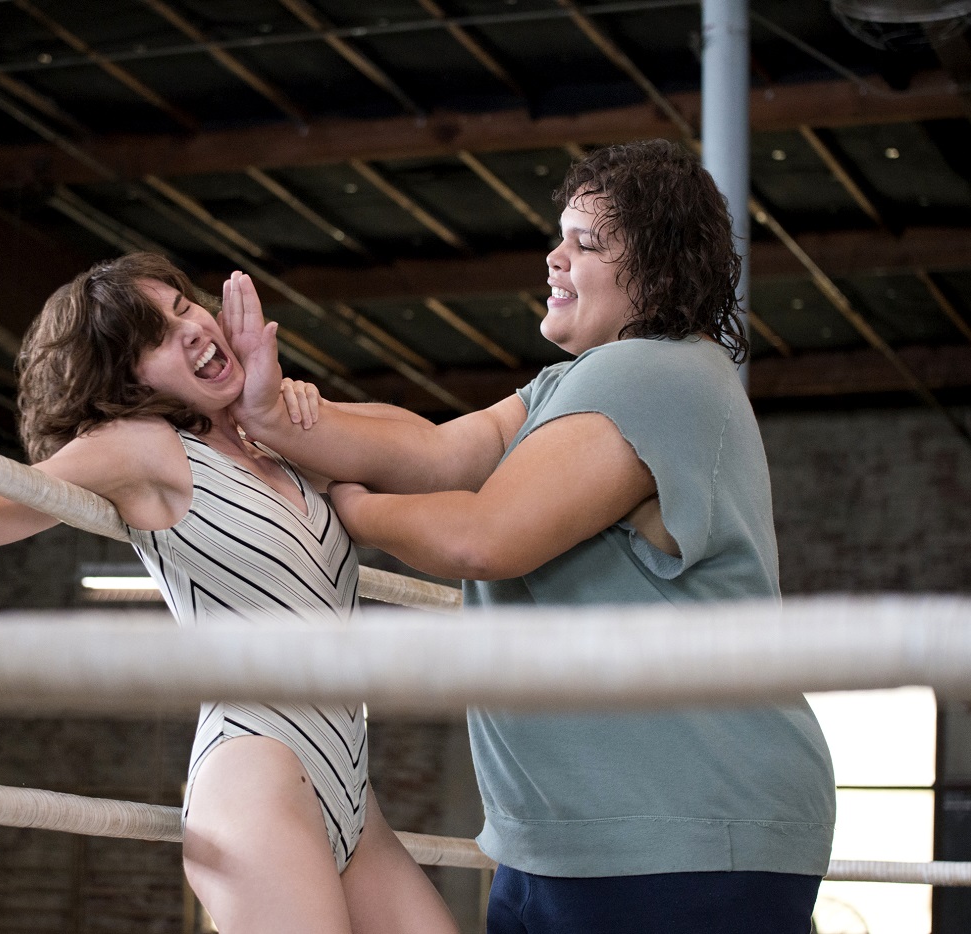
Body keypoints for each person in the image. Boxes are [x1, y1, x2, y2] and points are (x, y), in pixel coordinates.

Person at [225, 139, 837, 934]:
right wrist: (273, 415)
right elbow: (437, 452)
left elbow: (484, 537)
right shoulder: (567, 384)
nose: (555, 258)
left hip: (677, 830)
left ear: (659, 271)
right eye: (560, 237)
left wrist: (347, 506)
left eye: (587, 244)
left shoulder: (655, 372)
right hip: (574, 842)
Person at [0, 252, 458, 934]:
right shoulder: (143, 447)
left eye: (184, 307)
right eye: (156, 338)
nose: (190, 329)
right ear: (128, 380)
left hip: (352, 785)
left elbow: (426, 450)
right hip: (259, 776)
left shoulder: (274, 439)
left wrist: (291, 409)